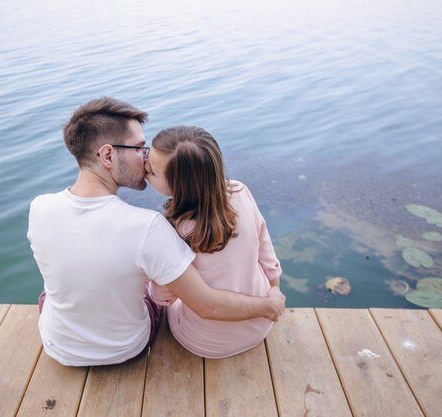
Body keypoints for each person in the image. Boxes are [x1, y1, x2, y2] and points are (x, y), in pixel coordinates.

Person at [27, 97, 285, 366]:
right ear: (107, 155)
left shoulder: (39, 207)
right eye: (140, 148)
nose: (146, 159)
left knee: (48, 294)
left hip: (58, 347)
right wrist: (271, 299)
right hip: (126, 348)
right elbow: (204, 302)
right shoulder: (148, 226)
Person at [146, 125, 283, 359]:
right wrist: (274, 291)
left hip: (205, 341)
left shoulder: (173, 229)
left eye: (152, 171)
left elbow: (163, 297)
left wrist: (150, 281)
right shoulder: (240, 192)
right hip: (260, 325)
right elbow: (267, 253)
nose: (145, 167)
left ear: (176, 187)